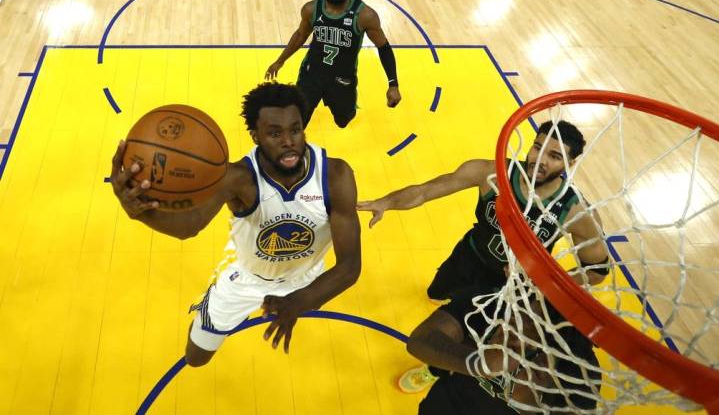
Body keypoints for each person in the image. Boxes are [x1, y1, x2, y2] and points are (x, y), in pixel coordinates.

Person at [110, 82, 362, 365]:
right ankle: (211, 307)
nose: (289, 140)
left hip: (307, 276)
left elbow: (349, 267)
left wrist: (300, 300)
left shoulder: (335, 175)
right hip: (249, 279)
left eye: (295, 129)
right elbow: (189, 226)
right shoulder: (238, 178)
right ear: (255, 136)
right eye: (275, 133)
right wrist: (138, 211)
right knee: (196, 357)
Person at [357, 120, 611, 393]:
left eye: (555, 156)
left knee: (469, 338)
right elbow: (425, 191)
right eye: (537, 147)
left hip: (506, 286)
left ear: (570, 164)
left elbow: (596, 271)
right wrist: (386, 202)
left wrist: (544, 283)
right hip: (469, 255)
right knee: (437, 290)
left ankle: (435, 370)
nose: (540, 160)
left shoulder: (575, 211)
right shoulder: (492, 173)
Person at [407, 283, 602, 414]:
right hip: (447, 403)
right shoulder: (496, 301)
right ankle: (431, 372)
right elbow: (420, 340)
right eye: (516, 313)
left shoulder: (579, 372)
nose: (505, 324)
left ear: (541, 368)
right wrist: (477, 364)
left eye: (524, 323)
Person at [265, 0, 401, 129]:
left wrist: (393, 84)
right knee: (297, 122)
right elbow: (301, 35)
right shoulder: (311, 9)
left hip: (342, 78)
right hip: (311, 74)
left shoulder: (364, 15)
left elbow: (383, 47)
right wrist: (280, 61)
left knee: (343, 121)